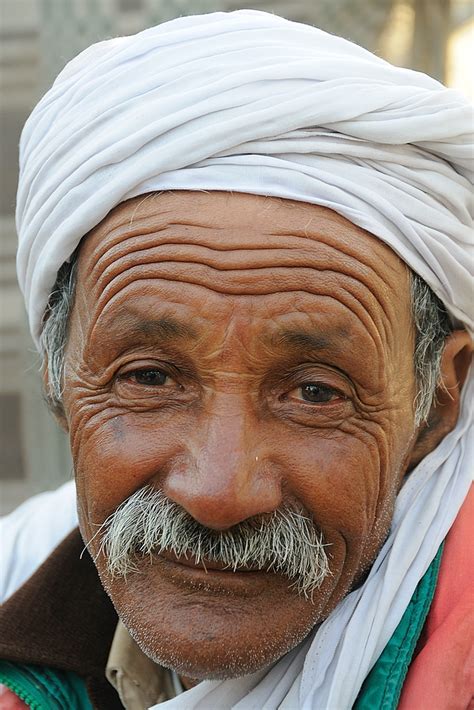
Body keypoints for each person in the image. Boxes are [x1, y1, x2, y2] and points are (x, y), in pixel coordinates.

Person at [0, 10, 472, 710]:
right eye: (150, 378)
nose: (218, 492)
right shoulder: (12, 569)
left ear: (436, 401)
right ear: (59, 372)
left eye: (315, 392)